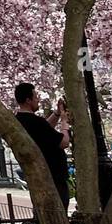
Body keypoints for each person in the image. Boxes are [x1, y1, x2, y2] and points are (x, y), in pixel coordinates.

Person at [14, 81, 71, 211]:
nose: (38, 100)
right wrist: (64, 123)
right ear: (28, 100)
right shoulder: (36, 122)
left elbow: (45, 129)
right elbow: (64, 142)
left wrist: (56, 113)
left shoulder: (19, 120)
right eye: (35, 97)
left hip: (40, 176)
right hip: (54, 176)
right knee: (58, 211)